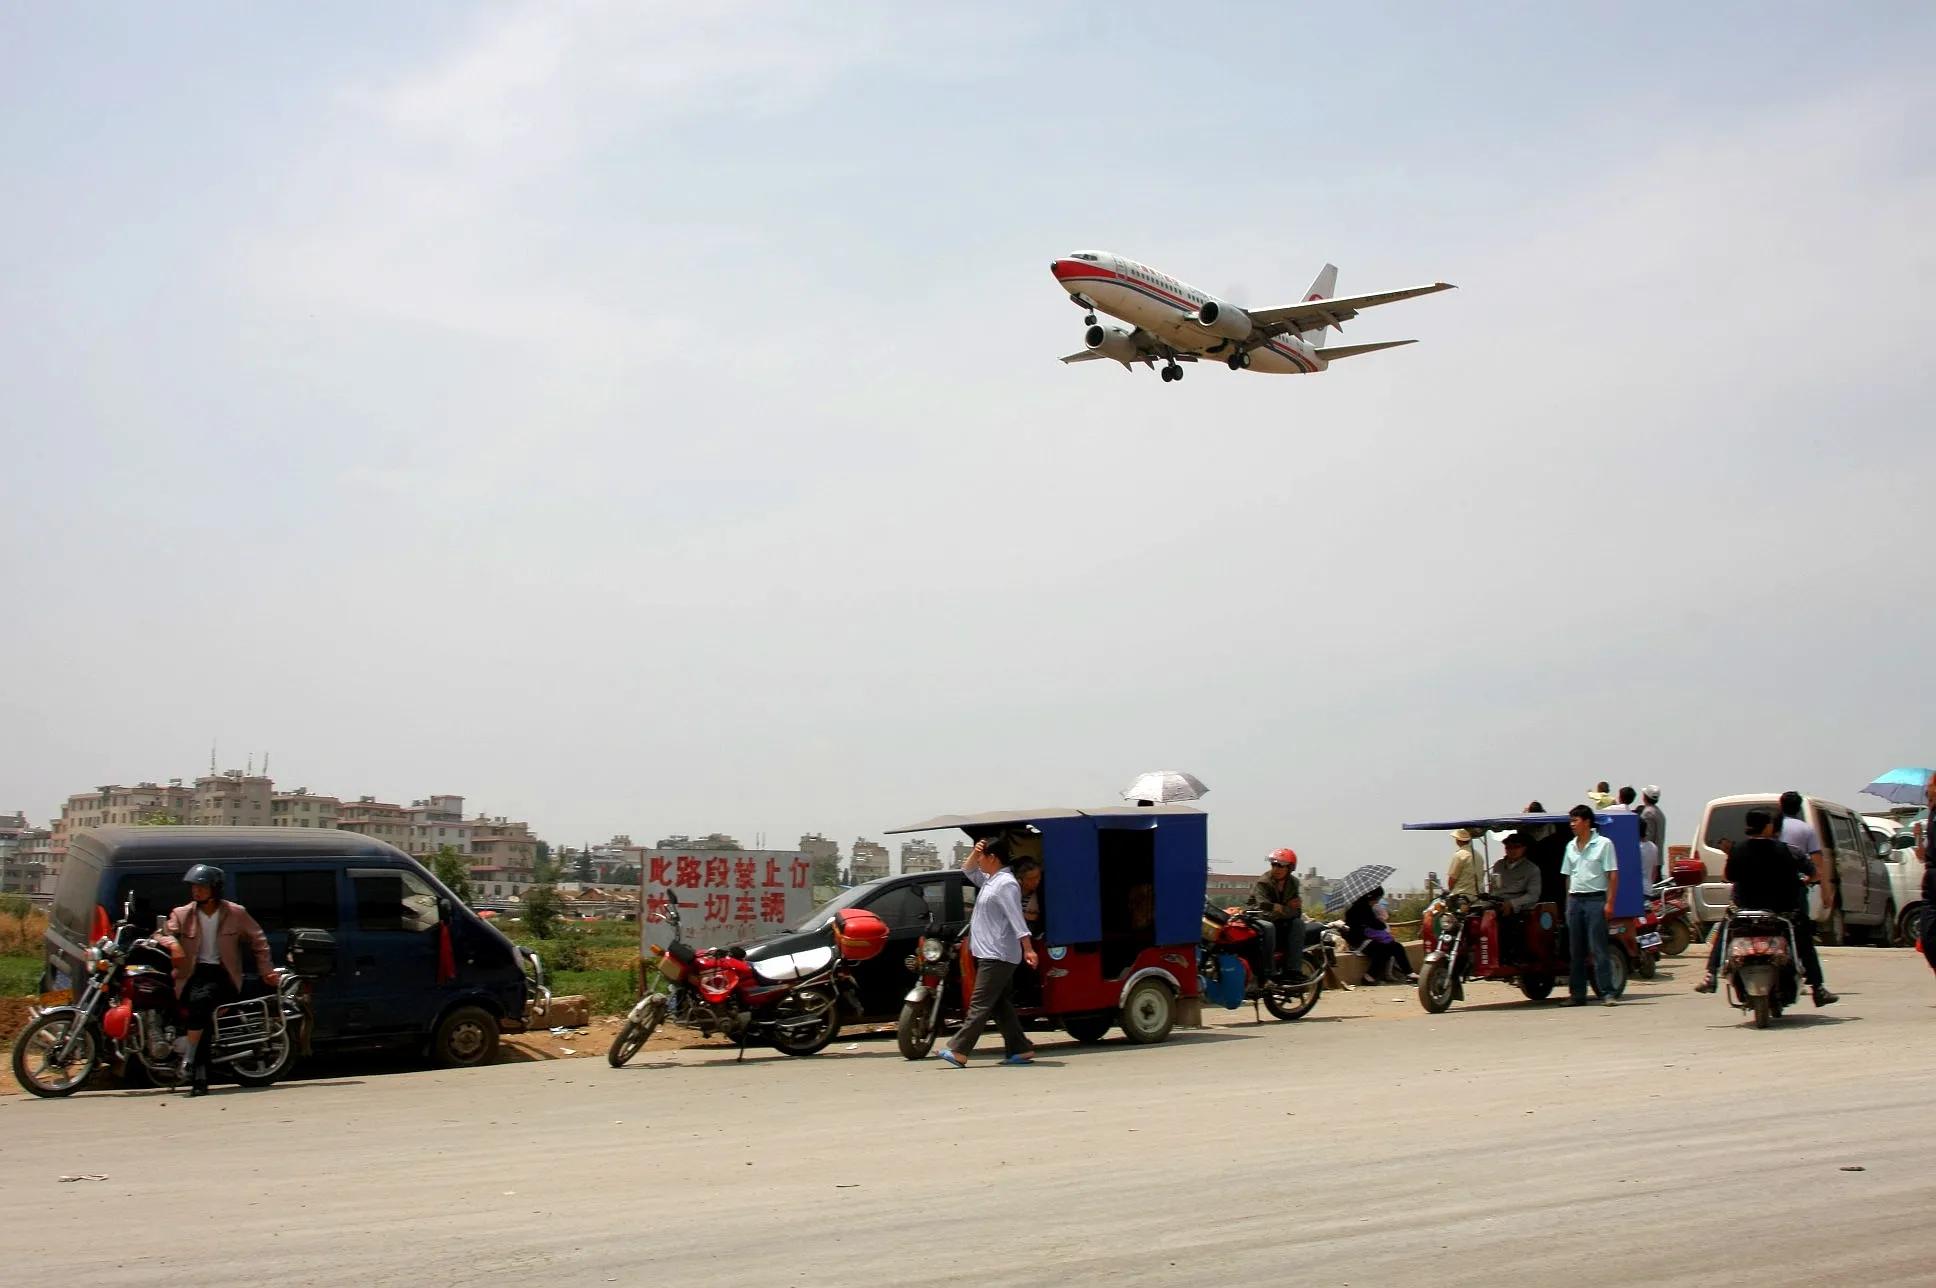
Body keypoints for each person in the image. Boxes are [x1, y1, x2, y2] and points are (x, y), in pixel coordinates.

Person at [159, 864, 277, 1096]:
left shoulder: (235, 913)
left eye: (202, 887)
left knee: (200, 1004)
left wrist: (266, 970)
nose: (196, 891)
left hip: (223, 974)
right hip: (192, 974)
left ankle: (190, 1062)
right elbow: (163, 932)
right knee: (197, 1014)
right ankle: (196, 1071)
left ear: (215, 888)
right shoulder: (182, 914)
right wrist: (173, 944)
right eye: (194, 887)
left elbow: (259, 940)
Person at [1696, 808, 1834, 1004]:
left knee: (1725, 929)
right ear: (1768, 826)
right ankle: (1818, 988)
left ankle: (1711, 975)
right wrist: (1805, 881)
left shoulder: (1738, 850)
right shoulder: (1789, 851)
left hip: (1745, 912)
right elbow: (1815, 874)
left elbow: (1729, 876)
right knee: (1803, 938)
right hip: (1782, 912)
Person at [940, 838, 1038, 1068]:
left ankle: (959, 1050)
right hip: (989, 952)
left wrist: (1028, 948)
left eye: (982, 857)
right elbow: (967, 870)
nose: (979, 861)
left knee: (980, 1004)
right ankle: (1020, 1049)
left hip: (998, 954)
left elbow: (1016, 918)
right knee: (999, 1003)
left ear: (992, 858)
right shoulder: (990, 880)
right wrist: (975, 852)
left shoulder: (1006, 884)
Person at [1561, 805, 1620, 1006]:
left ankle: (1607, 992)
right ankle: (1577, 994)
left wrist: (1610, 903)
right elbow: (1568, 876)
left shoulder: (1604, 844)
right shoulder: (1570, 846)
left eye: (1575, 821)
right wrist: (1568, 904)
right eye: (1571, 821)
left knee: (1599, 949)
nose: (1572, 825)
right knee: (1576, 951)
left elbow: (1612, 875)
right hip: (1575, 901)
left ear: (1587, 822)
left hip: (1596, 900)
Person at [1246, 849, 1306, 983]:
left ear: (1290, 868)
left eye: (1281, 865)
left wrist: (1279, 908)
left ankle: (1293, 970)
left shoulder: (1293, 883)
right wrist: (1283, 907)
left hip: (1279, 918)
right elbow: (1263, 906)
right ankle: (1269, 971)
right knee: (1269, 927)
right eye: (1274, 864)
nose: (1276, 868)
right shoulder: (1263, 882)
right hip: (1258, 917)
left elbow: (1296, 911)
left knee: (1298, 923)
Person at [1344, 887, 1414, 985]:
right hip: (1360, 942)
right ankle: (1408, 973)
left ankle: (1370, 977)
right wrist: (1380, 921)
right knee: (1392, 948)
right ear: (1372, 897)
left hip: (1359, 940)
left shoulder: (1357, 906)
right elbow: (1377, 925)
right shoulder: (1363, 908)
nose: (1377, 901)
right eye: (1377, 899)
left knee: (1390, 948)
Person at [1446, 830, 1480, 899]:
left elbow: (1451, 881)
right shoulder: (1479, 855)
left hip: (1461, 896)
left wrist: (1450, 891)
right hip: (1477, 896)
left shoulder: (1459, 855)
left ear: (1458, 840)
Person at [1638, 786, 1667, 856]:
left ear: (1645, 797)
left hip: (1649, 855)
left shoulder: (1648, 813)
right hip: (1657, 855)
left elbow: (1648, 836)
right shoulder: (1659, 812)